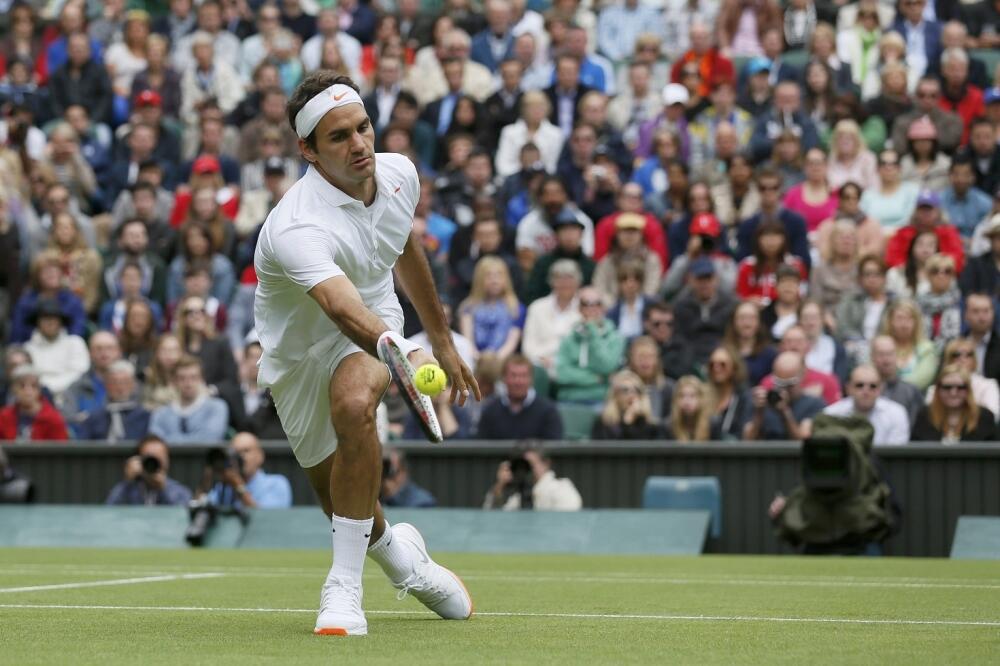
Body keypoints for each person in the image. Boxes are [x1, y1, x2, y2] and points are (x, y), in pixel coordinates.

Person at [252, 72, 478, 635]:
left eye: (363, 128)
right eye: (338, 138)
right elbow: (339, 308)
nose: (359, 145)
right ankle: (404, 559)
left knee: (354, 406)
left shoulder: (398, 173)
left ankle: (343, 589)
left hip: (378, 316)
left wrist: (441, 342)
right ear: (308, 150)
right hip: (304, 351)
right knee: (341, 502)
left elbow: (403, 248)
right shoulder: (296, 225)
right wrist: (398, 351)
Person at [554, 287, 626, 403]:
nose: (591, 308)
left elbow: (607, 366)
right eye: (586, 304)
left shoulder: (615, 338)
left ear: (604, 308)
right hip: (569, 397)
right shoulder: (569, 337)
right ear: (579, 308)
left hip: (601, 398)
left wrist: (592, 332)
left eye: (597, 303)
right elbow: (562, 373)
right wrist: (596, 378)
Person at [477, 354, 563, 440]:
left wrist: (539, 453)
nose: (518, 381)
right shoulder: (490, 411)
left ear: (531, 379)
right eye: (513, 375)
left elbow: (554, 446)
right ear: (504, 378)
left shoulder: (548, 411)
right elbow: (482, 446)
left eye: (523, 376)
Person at [148, 355, 229, 444]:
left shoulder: (216, 407)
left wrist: (169, 440)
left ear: (201, 379)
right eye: (182, 378)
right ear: (174, 381)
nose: (188, 383)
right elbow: (155, 444)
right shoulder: (161, 413)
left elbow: (209, 440)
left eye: (193, 377)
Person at [744, 351, 825, 440]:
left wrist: (784, 412)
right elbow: (747, 440)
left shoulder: (814, 404)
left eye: (790, 384)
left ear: (803, 374)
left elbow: (803, 443)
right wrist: (759, 413)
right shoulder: (760, 402)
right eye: (779, 383)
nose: (784, 389)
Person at [200, 432, 293, 509]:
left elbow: (266, 521)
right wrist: (206, 483)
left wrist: (239, 486)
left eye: (246, 451)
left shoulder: (276, 483)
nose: (241, 457)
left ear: (260, 456)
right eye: (236, 452)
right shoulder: (224, 488)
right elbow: (199, 507)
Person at [673, 257, 737, 366]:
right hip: (690, 360)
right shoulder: (681, 307)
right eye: (700, 279)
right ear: (691, 280)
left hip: (724, 358)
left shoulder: (730, 305)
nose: (705, 284)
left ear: (716, 279)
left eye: (708, 279)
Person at [823, 365, 910, 445]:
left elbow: (895, 454)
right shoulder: (831, 414)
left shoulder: (896, 413)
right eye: (859, 385)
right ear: (848, 388)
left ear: (880, 389)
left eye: (873, 386)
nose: (866, 391)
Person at [484, 442, 582, 510]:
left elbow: (568, 523)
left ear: (546, 464)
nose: (526, 469)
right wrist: (499, 487)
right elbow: (493, 522)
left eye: (530, 464)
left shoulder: (562, 488)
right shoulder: (519, 498)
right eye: (522, 465)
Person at [23, 298, 90, 398]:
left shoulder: (75, 343)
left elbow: (79, 373)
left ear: (61, 321)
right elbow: (27, 378)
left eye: (54, 318)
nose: (50, 322)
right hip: (38, 398)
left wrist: (51, 388)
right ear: (37, 322)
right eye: (45, 318)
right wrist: (44, 391)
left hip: (72, 395)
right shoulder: (28, 348)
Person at [911, 365, 997, 443]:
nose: (953, 393)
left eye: (960, 387)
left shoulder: (984, 417)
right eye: (947, 387)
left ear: (968, 390)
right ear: (938, 390)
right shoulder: (924, 416)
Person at [105, 435, 193, 505]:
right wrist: (128, 483)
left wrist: (164, 489)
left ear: (167, 461)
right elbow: (111, 511)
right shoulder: (128, 489)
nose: (153, 464)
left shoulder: (180, 492)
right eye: (150, 458)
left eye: (159, 458)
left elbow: (182, 517)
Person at [76, 360, 151, 442]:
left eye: (125, 382)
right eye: (114, 382)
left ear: (133, 384)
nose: (120, 387)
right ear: (106, 385)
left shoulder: (146, 417)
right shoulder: (94, 418)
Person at [927, 339, 1000, 420]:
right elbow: (930, 416)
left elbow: (993, 416)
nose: (962, 359)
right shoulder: (936, 389)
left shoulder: (988, 385)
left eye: (968, 354)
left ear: (974, 359)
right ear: (948, 359)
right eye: (956, 355)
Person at [881, 299, 939, 391]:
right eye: (899, 318)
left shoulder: (926, 347)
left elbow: (922, 379)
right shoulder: (880, 346)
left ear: (916, 322)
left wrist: (893, 387)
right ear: (890, 321)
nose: (904, 324)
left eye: (909, 318)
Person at [0, 365, 69, 442]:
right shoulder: (3, 417)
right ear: (14, 389)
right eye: (22, 386)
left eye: (33, 386)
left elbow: (61, 451)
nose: (28, 391)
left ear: (39, 389)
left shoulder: (54, 419)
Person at [591, 369, 662, 440]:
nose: (632, 395)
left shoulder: (650, 425)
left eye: (637, 390)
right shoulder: (604, 422)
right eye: (625, 390)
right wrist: (627, 422)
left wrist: (638, 420)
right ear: (615, 395)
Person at [870, 334, 924, 426]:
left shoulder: (911, 391)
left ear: (897, 356)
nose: (886, 359)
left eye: (890, 354)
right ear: (872, 357)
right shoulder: (863, 388)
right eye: (881, 354)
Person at [859, 149, 919, 232]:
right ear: (877, 168)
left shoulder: (912, 190)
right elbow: (864, 222)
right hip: (875, 239)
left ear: (900, 168)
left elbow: (910, 221)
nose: (888, 168)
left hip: (904, 238)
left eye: (893, 164)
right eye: (884, 164)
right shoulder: (867, 194)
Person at [723, 301, 777, 387]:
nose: (747, 323)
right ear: (733, 322)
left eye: (752, 318)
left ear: (759, 322)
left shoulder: (770, 353)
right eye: (742, 318)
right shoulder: (723, 352)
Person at [706, 345, 753, 440]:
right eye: (712, 364)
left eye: (722, 364)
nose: (716, 368)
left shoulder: (743, 397)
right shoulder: (703, 394)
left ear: (734, 368)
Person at [916, 254, 962, 347]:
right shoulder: (917, 304)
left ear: (953, 275)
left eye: (947, 271)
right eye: (935, 271)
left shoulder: (961, 303)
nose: (941, 275)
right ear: (928, 275)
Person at [663, 375, 714, 442]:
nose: (686, 401)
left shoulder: (712, 424)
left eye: (692, 396)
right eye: (682, 396)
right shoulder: (668, 426)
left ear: (701, 399)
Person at [960, 215, 1000, 298]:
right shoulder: (975, 264)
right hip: (983, 309)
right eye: (999, 238)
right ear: (991, 239)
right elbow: (967, 291)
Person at [964, 293, 1000, 381]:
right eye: (975, 311)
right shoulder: (956, 345)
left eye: (986, 311)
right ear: (966, 315)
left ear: (993, 313)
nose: (981, 317)